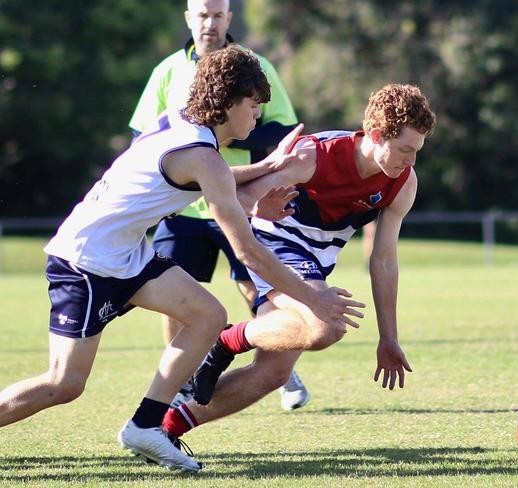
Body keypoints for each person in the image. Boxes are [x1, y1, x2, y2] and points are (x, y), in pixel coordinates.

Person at [0, 46, 364, 473]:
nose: (257, 116)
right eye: (252, 105)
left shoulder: (185, 127)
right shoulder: (203, 155)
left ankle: (146, 425)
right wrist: (311, 298)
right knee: (64, 384)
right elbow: (247, 249)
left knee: (208, 315)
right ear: (229, 102)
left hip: (127, 255)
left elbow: (218, 178)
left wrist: (268, 165)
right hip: (85, 261)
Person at [160, 84, 436, 458]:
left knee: (273, 373)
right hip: (273, 247)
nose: (411, 161)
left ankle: (166, 428)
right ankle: (227, 342)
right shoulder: (314, 155)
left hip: (313, 263)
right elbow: (235, 199)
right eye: (405, 149)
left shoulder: (402, 182)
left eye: (417, 151)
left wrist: (389, 338)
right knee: (326, 326)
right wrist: (259, 209)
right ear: (375, 135)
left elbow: (383, 260)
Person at [129, 0, 310, 411]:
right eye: (202, 15)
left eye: (217, 15)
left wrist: (221, 133)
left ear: (229, 19)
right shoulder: (167, 70)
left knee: (256, 287)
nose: (209, 23)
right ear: (189, 18)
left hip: (238, 200)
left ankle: (280, 365)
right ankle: (179, 382)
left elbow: (282, 126)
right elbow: (143, 136)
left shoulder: (252, 65)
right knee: (172, 293)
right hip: (182, 207)